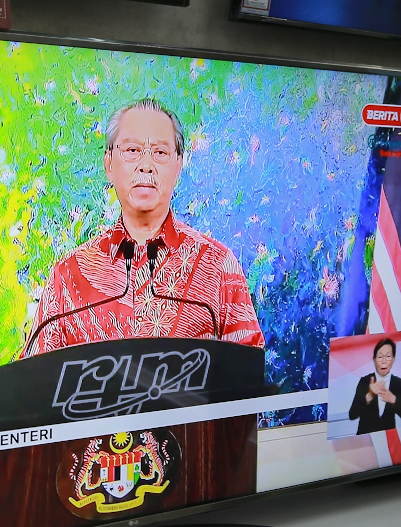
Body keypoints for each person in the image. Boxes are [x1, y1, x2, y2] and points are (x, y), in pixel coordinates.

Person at [23, 99, 264, 357]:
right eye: (132, 150)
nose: (146, 165)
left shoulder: (217, 267)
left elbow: (247, 373)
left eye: (160, 153)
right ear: (109, 164)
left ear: (178, 165)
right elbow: (34, 382)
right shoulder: (68, 276)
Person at [348, 338, 401, 434]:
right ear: (374, 360)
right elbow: (352, 415)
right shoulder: (365, 381)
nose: (384, 361)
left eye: (388, 356)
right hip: (366, 440)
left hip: (389, 441)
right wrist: (369, 395)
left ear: (393, 359)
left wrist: (393, 399)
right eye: (380, 357)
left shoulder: (398, 383)